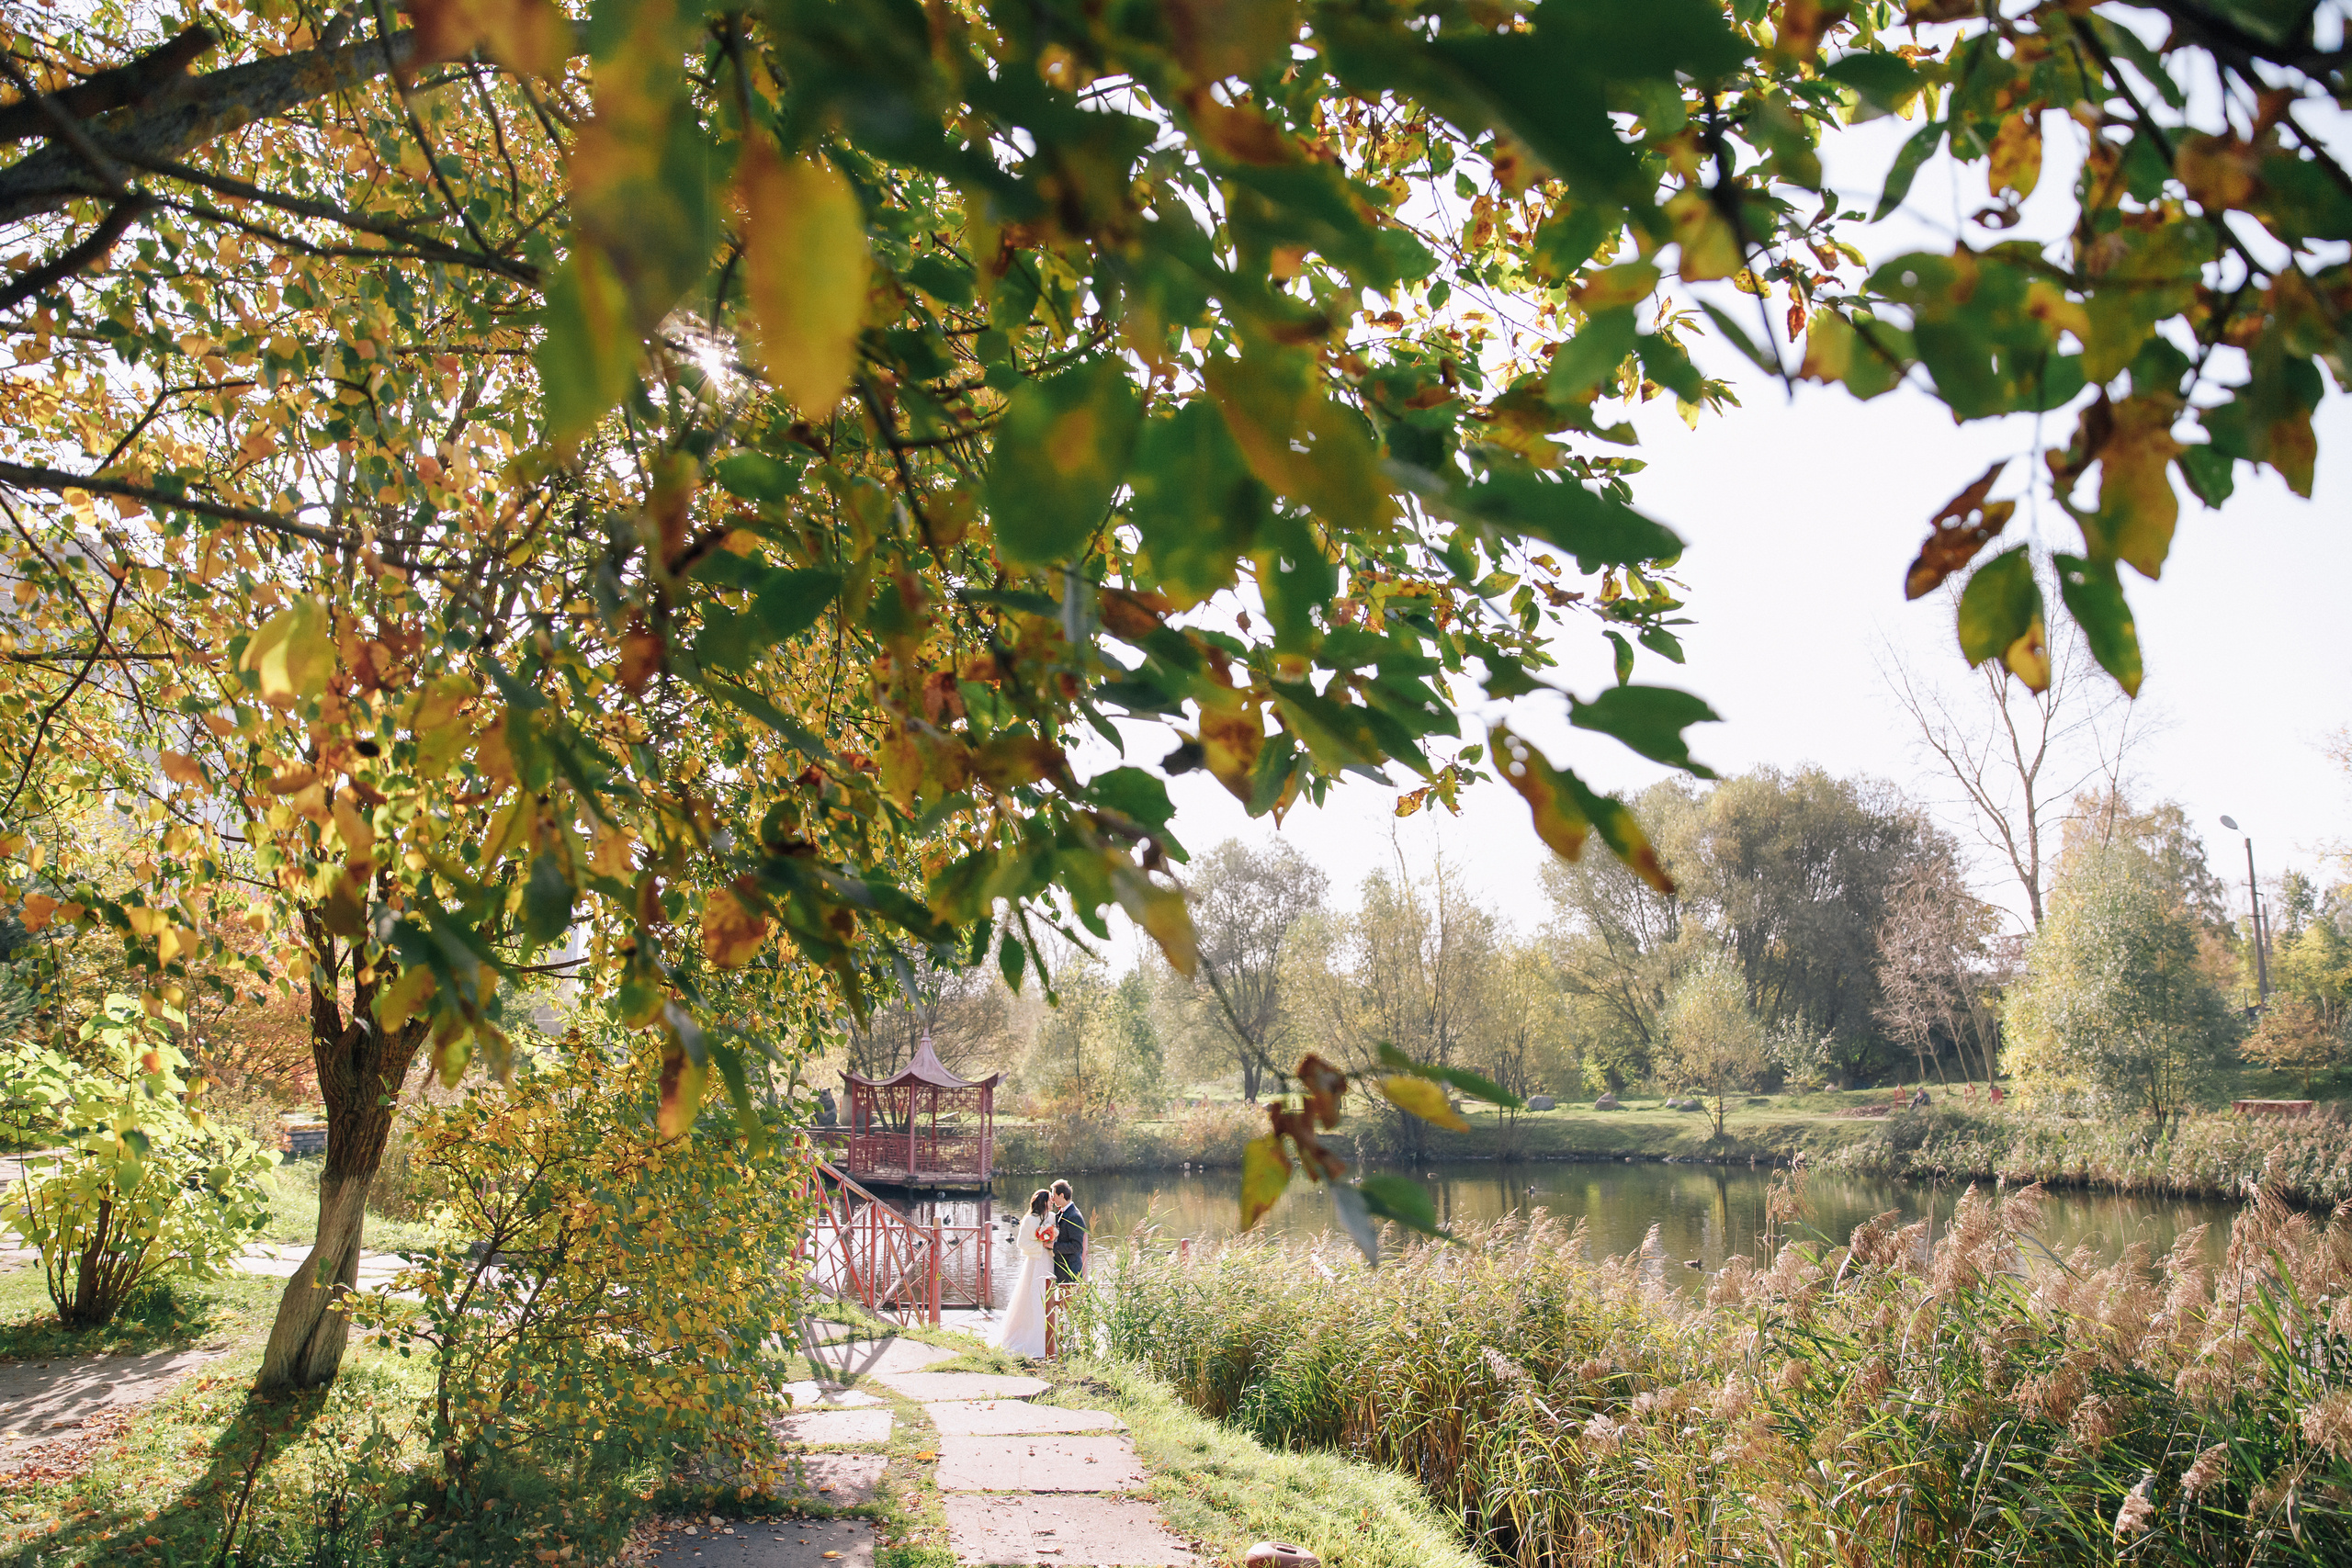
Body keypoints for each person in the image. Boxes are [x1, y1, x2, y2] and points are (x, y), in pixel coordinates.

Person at [988, 1189, 1055, 1359]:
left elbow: (1057, 1234)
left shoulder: (1052, 1217)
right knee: (1032, 1297)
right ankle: (1030, 1338)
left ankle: (1051, 1339)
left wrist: (1051, 1241)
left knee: (1050, 1298)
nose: (1052, 1202)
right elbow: (1021, 1243)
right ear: (1043, 1202)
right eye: (1050, 1200)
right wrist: (1041, 1244)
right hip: (1035, 1262)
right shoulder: (1029, 1220)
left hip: (1049, 1261)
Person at [1049, 1179, 1086, 1283]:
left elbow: (1077, 1246)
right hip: (1062, 1271)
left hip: (1070, 1271)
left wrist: (1054, 1246)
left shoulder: (1074, 1216)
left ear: (1061, 1195)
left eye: (1054, 1195)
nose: (1052, 1199)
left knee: (1069, 1300)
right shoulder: (1062, 1213)